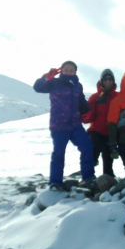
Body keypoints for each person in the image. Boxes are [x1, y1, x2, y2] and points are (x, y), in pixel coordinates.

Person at [33, 61, 95, 190]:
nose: (68, 72)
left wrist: (87, 110)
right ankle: (55, 182)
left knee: (87, 148)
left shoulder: (78, 85)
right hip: (59, 126)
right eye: (66, 69)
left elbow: (81, 100)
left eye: (71, 70)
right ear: (61, 70)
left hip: (76, 125)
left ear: (75, 72)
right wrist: (47, 76)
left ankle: (88, 177)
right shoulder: (54, 82)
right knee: (58, 154)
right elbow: (37, 88)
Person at [81, 69, 118, 177]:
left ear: (113, 81)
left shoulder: (118, 97)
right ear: (101, 81)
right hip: (96, 131)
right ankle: (87, 177)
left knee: (108, 159)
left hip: (111, 134)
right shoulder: (94, 98)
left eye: (110, 79)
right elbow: (88, 117)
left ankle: (108, 180)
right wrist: (82, 113)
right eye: (105, 79)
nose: (107, 81)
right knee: (92, 151)